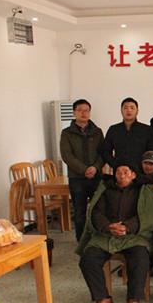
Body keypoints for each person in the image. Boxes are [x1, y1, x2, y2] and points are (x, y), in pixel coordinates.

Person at [77, 159, 153, 303]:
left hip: (134, 235)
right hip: (106, 235)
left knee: (140, 258)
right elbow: (96, 212)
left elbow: (148, 215)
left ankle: (133, 300)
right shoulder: (106, 190)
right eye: (118, 172)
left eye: (126, 172)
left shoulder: (144, 191)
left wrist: (127, 226)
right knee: (88, 258)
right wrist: (107, 226)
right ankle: (103, 298)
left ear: (133, 175)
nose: (122, 175)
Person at [60, 99, 105, 241]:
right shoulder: (67, 133)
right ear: (74, 113)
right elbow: (66, 155)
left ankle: (98, 238)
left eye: (86, 110)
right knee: (79, 212)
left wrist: (95, 168)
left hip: (96, 177)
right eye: (80, 110)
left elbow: (102, 153)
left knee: (98, 209)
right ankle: (81, 240)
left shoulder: (97, 132)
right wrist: (84, 170)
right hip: (77, 178)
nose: (83, 113)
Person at [101, 97, 153, 170]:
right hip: (120, 172)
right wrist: (115, 165)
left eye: (132, 108)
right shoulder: (114, 130)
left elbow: (152, 152)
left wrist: (145, 167)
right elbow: (105, 151)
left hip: (141, 171)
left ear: (137, 111)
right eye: (125, 108)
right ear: (121, 111)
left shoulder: (146, 130)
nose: (129, 110)